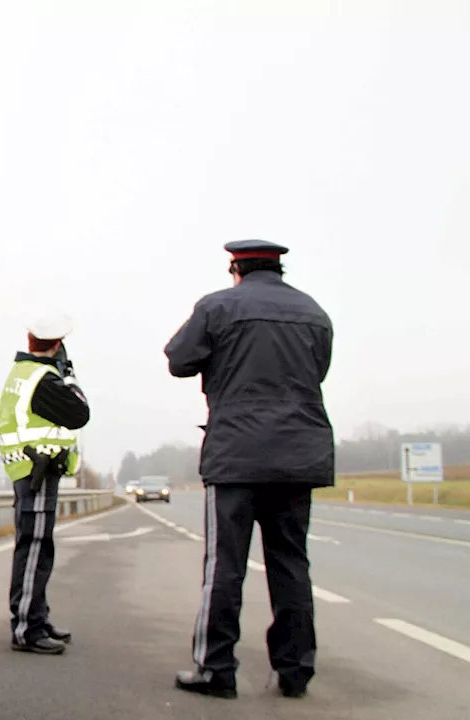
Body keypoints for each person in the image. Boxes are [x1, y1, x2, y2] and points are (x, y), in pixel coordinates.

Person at [165, 239, 334, 699]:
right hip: (300, 455)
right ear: (278, 268)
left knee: (225, 566)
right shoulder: (313, 312)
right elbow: (317, 371)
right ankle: (295, 672)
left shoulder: (218, 306)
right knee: (291, 566)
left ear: (235, 268)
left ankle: (216, 669)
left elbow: (178, 360)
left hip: (237, 455)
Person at [0, 313, 90, 655]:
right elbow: (80, 412)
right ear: (57, 344)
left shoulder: (22, 372)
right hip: (38, 470)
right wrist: (69, 374)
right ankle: (27, 627)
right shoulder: (44, 379)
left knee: (35, 546)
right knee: (35, 548)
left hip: (28, 469)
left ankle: (37, 615)